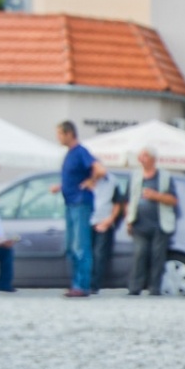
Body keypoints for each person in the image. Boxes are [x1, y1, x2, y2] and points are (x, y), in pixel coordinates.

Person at [54, 120, 106, 298]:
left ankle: (82, 285)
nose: (58, 138)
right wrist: (60, 187)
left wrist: (91, 181)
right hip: (70, 203)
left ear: (69, 134)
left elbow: (100, 169)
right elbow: (73, 178)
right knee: (71, 246)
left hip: (80, 203)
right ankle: (76, 283)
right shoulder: (70, 154)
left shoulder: (80, 151)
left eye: (60, 134)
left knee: (80, 245)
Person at [126, 146, 177, 295]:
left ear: (153, 159)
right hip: (139, 223)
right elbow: (129, 200)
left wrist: (156, 196)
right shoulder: (135, 176)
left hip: (160, 224)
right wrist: (128, 220)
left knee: (157, 257)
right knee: (139, 254)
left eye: (144, 156)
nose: (141, 159)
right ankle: (135, 288)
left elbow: (173, 200)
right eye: (140, 156)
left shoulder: (164, 176)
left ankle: (154, 288)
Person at [89, 168, 127, 293]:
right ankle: (83, 282)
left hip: (104, 222)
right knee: (86, 253)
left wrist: (110, 220)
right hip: (86, 222)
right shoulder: (85, 178)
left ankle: (94, 285)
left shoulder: (112, 181)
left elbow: (118, 203)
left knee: (99, 254)